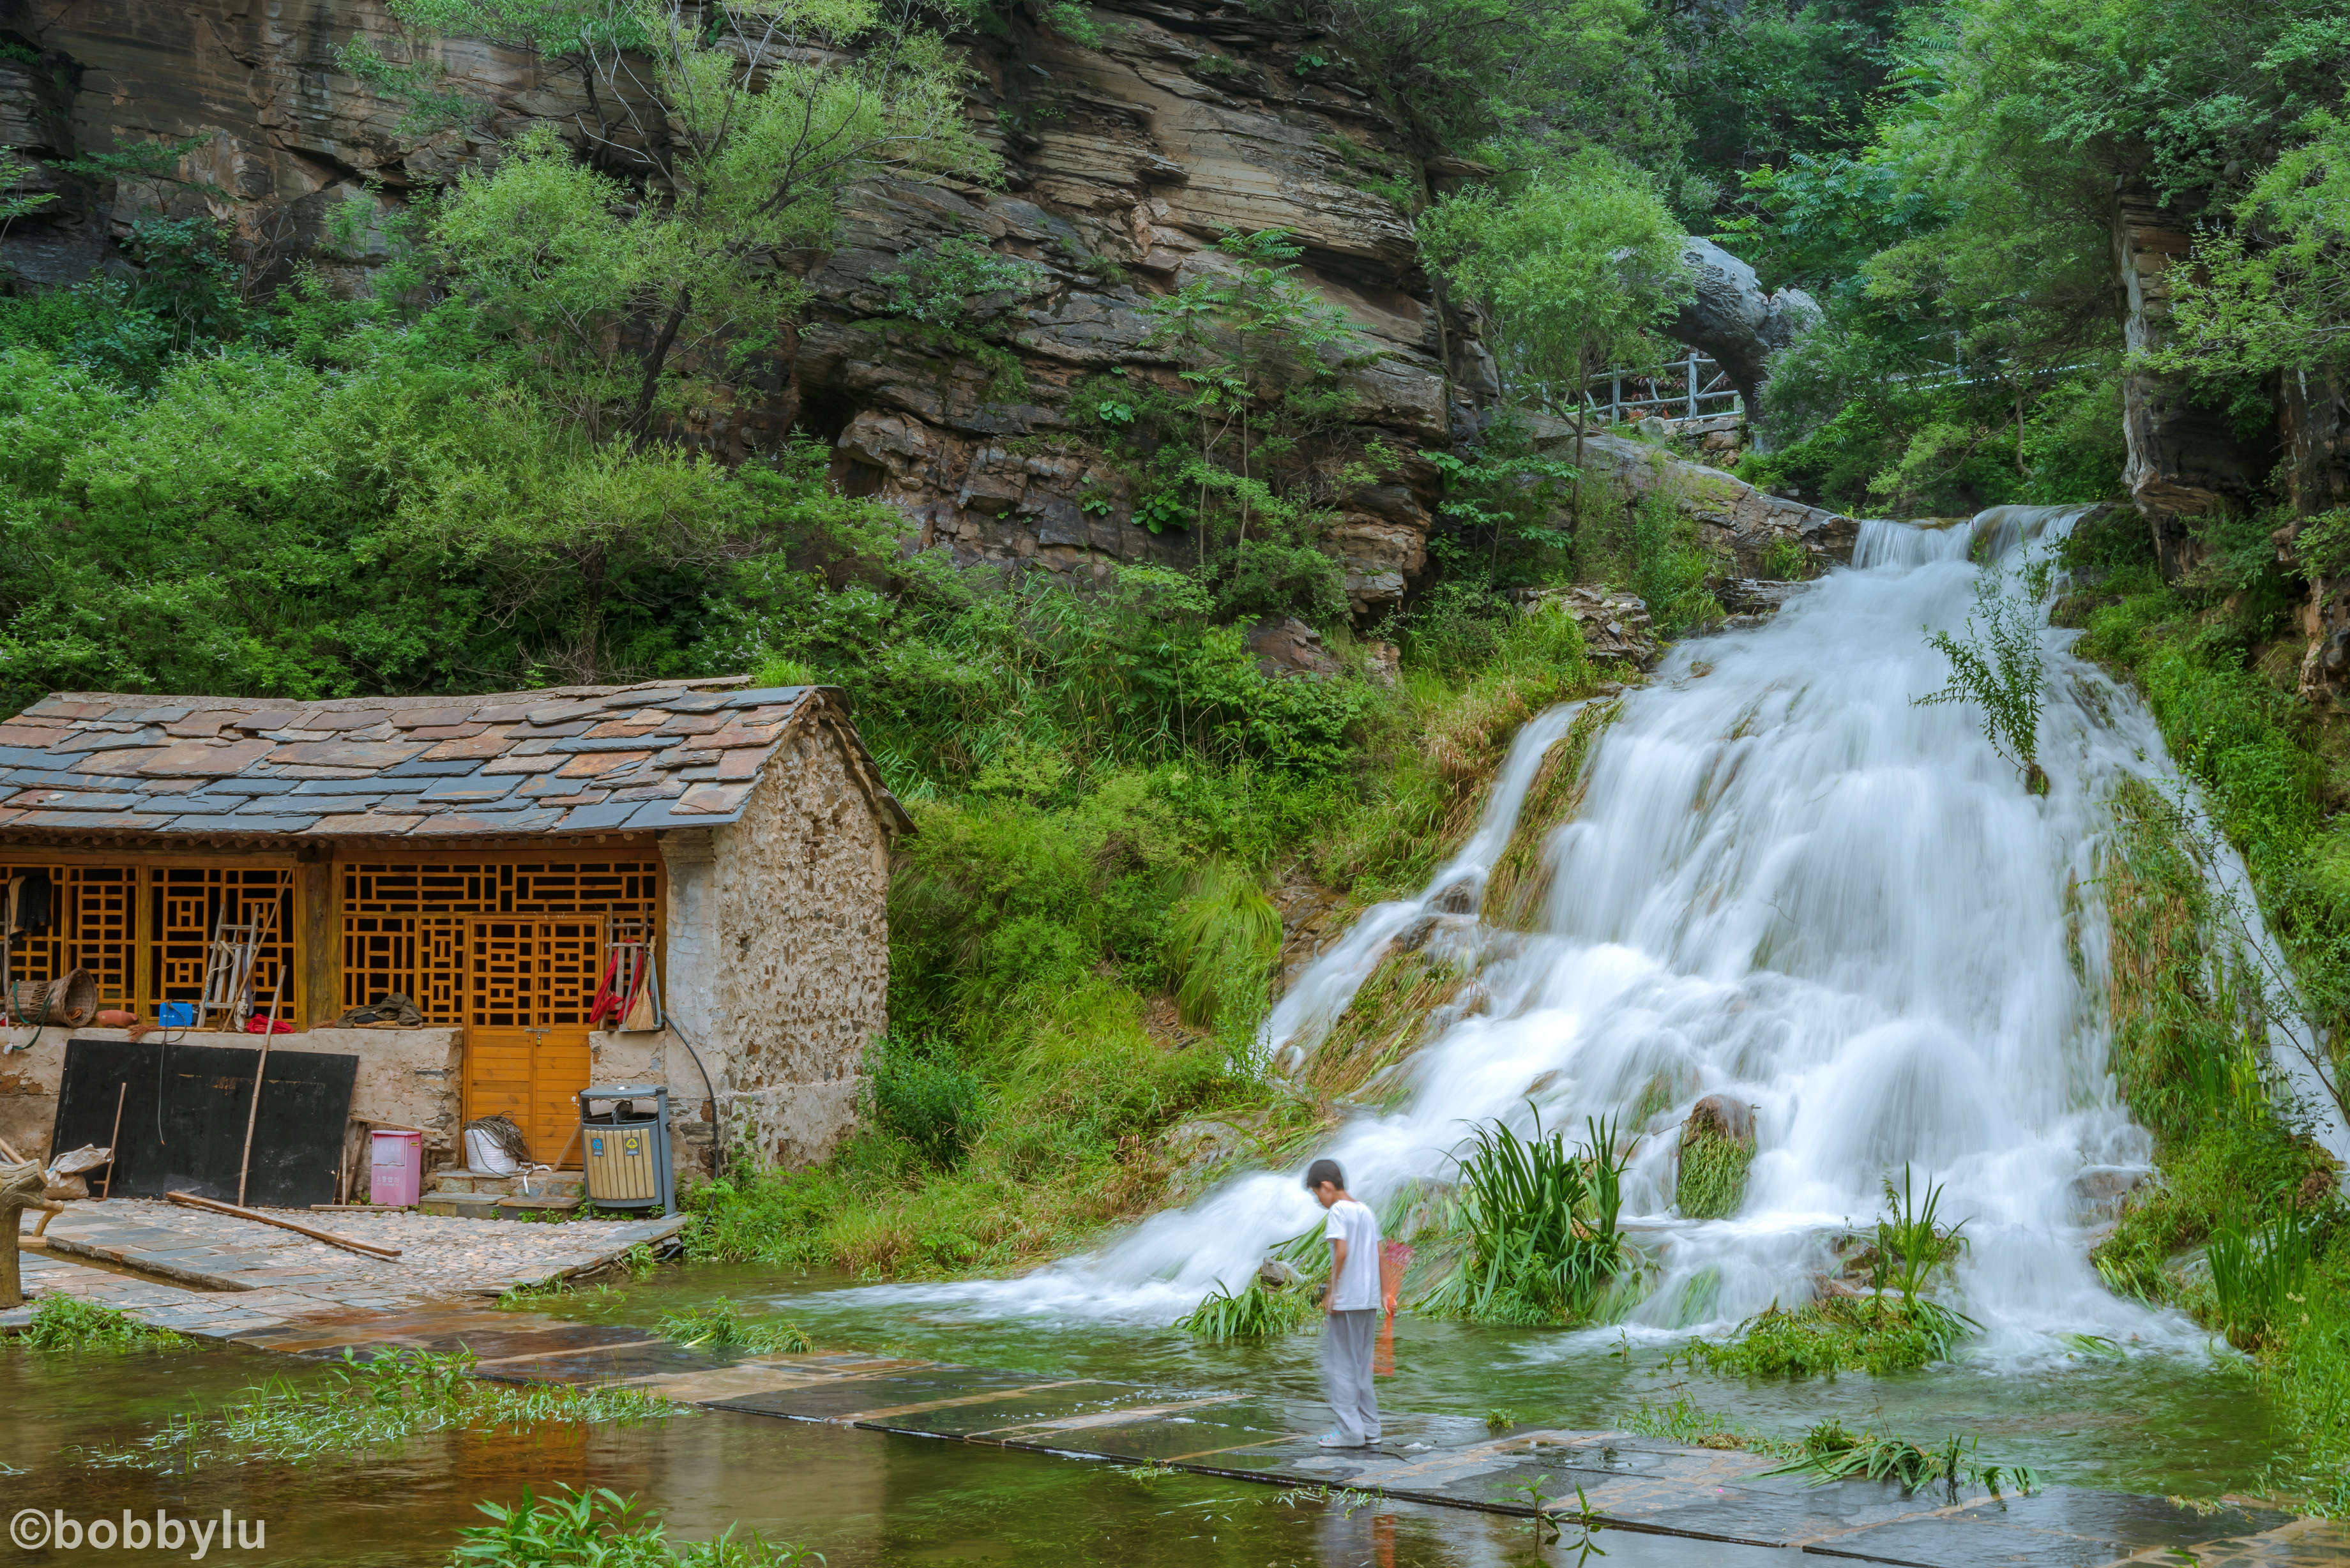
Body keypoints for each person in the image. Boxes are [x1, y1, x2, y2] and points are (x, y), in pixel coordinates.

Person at [1305, 1157, 1381, 1448]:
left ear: (1326, 1186)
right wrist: (1386, 1294)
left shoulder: (1338, 1210)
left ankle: (1350, 1431)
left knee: (1340, 1366)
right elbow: (1380, 1252)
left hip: (1347, 1300)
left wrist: (1331, 1293)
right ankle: (1371, 1427)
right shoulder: (1366, 1210)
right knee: (1362, 1366)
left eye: (1317, 1195)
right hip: (1368, 1300)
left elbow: (1341, 1252)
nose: (1319, 1201)